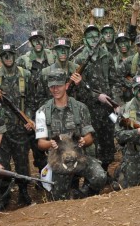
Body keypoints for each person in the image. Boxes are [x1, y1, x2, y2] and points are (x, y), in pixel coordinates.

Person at [35, 71, 104, 200]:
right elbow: (41, 143)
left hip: (80, 157)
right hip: (60, 161)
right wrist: (50, 144)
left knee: (100, 177)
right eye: (52, 86)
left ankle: (83, 195)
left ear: (66, 86)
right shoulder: (42, 112)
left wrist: (84, 140)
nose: (55, 89)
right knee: (60, 199)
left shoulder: (80, 108)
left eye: (59, 86)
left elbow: (90, 136)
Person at [71, 23, 120, 173]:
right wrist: (96, 96)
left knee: (108, 140)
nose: (93, 39)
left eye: (95, 36)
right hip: (89, 108)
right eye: (89, 36)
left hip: (107, 108)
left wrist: (116, 102)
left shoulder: (107, 56)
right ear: (84, 39)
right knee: (92, 142)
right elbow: (77, 88)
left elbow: (115, 81)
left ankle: (105, 171)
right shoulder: (79, 60)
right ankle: (94, 174)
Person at [0, 42, 35, 206]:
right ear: (0, 58)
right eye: (4, 55)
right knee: (2, 163)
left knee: (22, 162)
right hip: (0, 129)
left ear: (15, 55)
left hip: (19, 128)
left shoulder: (26, 75)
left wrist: (28, 119)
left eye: (10, 54)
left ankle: (24, 193)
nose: (8, 58)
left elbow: (32, 101)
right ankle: (4, 195)